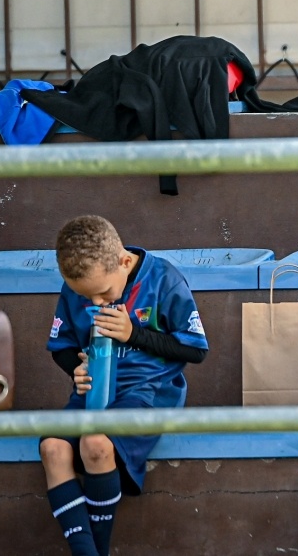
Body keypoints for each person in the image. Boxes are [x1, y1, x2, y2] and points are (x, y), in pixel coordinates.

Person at [38, 215, 208, 556]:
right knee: (53, 448)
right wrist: (77, 369)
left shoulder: (163, 279)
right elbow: (61, 348)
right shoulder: (79, 287)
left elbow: (195, 349)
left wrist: (134, 334)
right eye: (87, 297)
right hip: (93, 392)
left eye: (103, 293)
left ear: (124, 261)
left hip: (148, 392)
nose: (98, 303)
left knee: (96, 444)